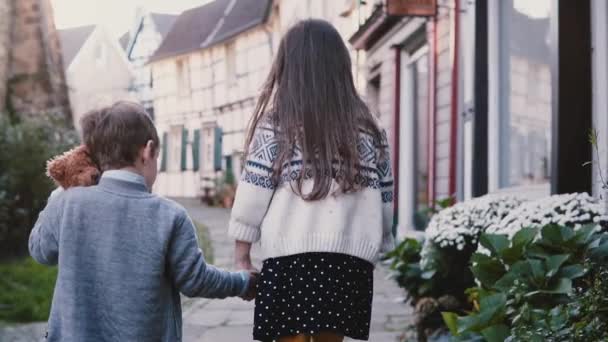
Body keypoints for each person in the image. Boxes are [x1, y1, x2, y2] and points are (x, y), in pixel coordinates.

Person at [29, 101, 257, 341]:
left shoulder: (67, 203)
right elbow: (195, 280)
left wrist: (62, 190)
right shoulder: (170, 216)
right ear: (148, 151)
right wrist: (242, 282)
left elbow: (39, 250)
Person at [228, 20, 395, 342]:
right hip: (348, 264)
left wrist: (242, 256)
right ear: (341, 67)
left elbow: (253, 192)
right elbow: (384, 195)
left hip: (289, 261)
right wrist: (381, 243)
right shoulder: (369, 128)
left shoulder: (277, 123)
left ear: (287, 68)